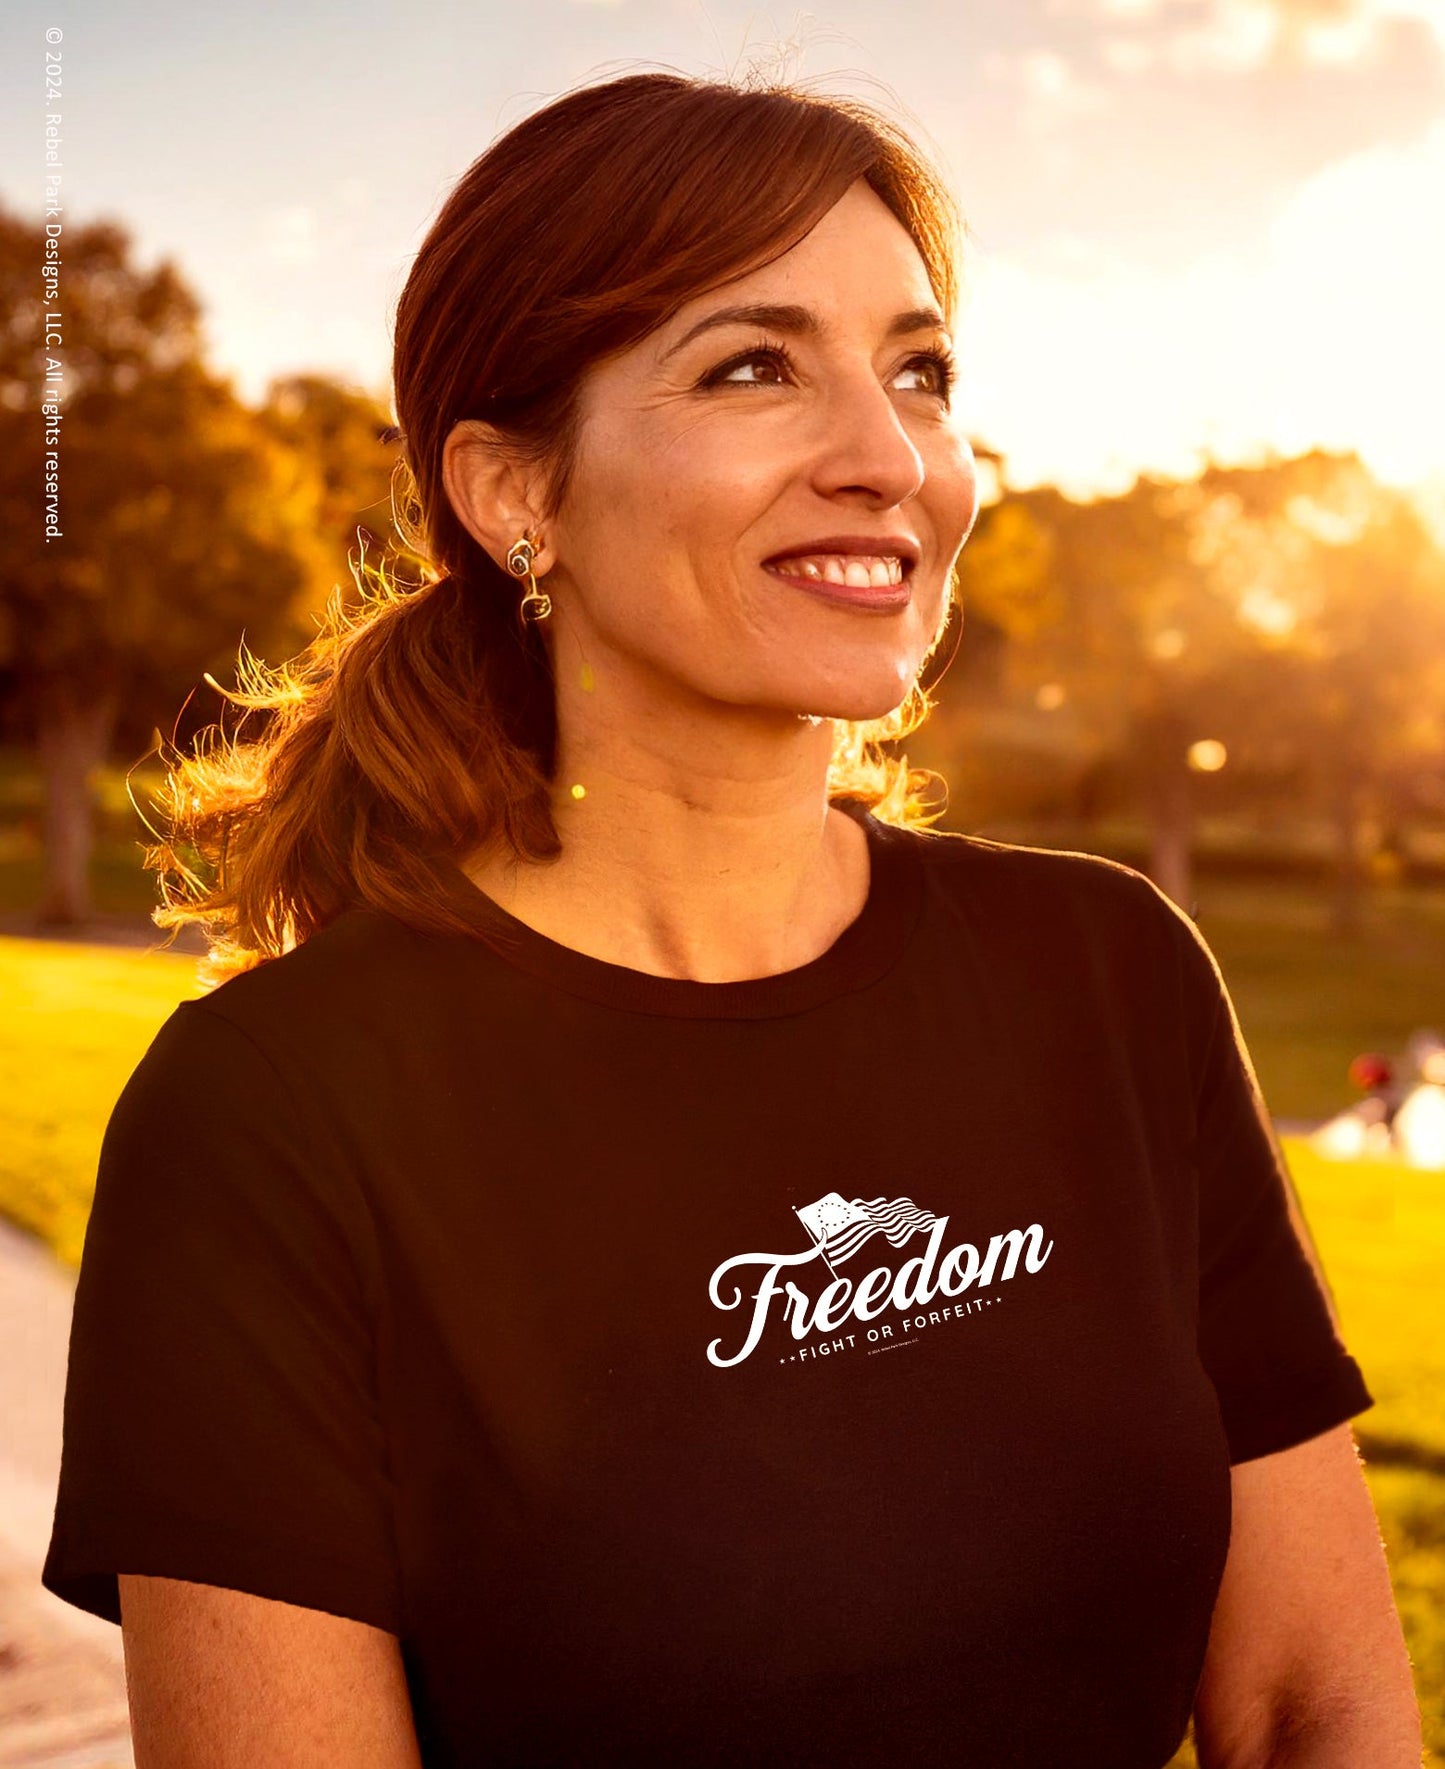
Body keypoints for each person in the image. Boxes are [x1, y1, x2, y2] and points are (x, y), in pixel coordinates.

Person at [41, 69, 1421, 1769]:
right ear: (509, 492)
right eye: (754, 365)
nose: (887, 457)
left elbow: (1308, 1708)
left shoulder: (1108, 974)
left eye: (918, 373)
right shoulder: (269, 1113)